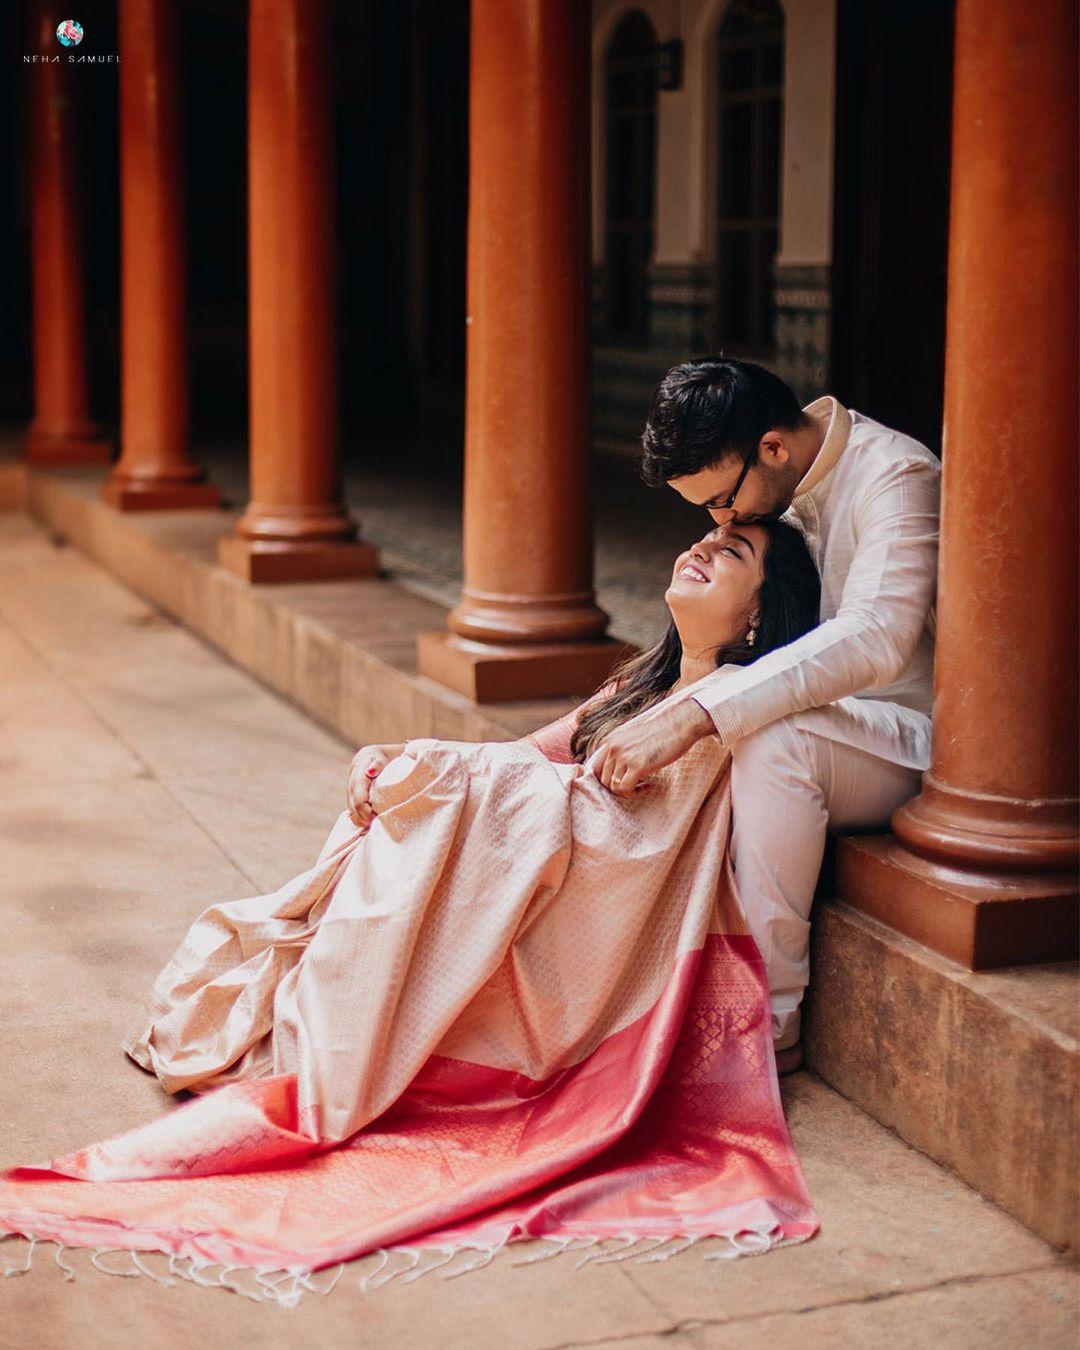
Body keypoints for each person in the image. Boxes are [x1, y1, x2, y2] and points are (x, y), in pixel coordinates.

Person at [0, 520, 826, 1284]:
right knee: (428, 800)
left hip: (576, 914)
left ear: (756, 620)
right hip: (543, 869)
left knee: (445, 809)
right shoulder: (640, 683)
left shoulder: (723, 715)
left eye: (735, 553)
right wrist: (418, 765)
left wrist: (451, 785)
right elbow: (526, 759)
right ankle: (335, 1014)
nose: (705, 548)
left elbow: (633, 846)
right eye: (709, 534)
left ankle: (347, 1040)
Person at [586, 357, 940, 1071]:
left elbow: (877, 635)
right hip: (816, 719)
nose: (722, 523)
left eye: (722, 501)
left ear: (774, 448)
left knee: (770, 732)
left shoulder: (895, 476)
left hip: (904, 738)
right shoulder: (772, 487)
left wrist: (697, 714)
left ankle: (765, 1023)